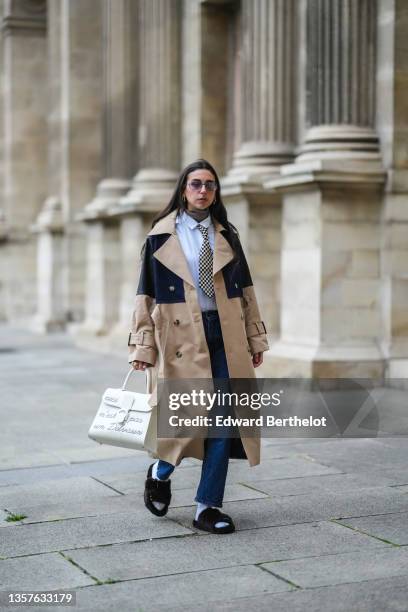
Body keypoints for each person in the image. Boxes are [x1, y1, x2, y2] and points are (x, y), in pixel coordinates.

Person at [128, 158, 269, 534]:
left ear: (216, 191)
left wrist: (254, 336)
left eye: (209, 184)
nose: (203, 190)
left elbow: (247, 291)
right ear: (183, 189)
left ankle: (208, 506)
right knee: (187, 418)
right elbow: (145, 294)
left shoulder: (227, 235)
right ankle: (160, 471)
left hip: (226, 335)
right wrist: (143, 346)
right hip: (182, 336)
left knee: (224, 420)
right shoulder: (161, 235)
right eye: (195, 184)